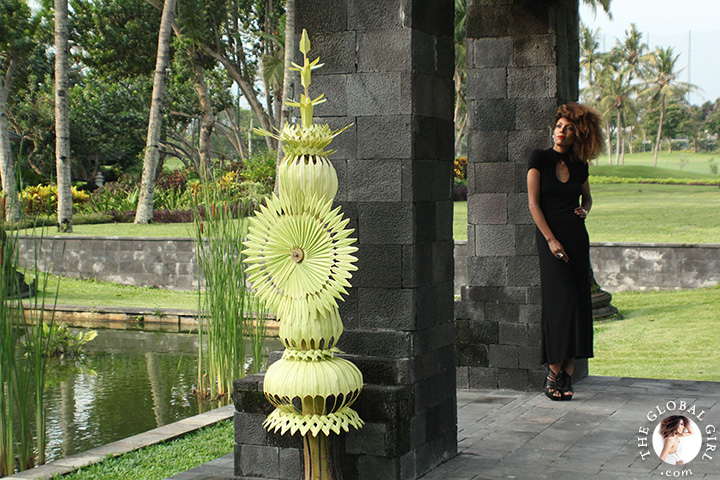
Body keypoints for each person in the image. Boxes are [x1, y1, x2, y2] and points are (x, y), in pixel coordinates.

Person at [527, 103, 604, 401]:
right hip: (551, 240)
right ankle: (553, 372)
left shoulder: (579, 165)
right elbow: (534, 204)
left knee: (578, 303)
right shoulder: (539, 159)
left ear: (578, 135)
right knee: (561, 304)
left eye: (569, 129)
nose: (562, 132)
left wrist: (583, 211)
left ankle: (567, 375)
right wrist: (550, 240)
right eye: (559, 127)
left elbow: (588, 198)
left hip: (576, 238)